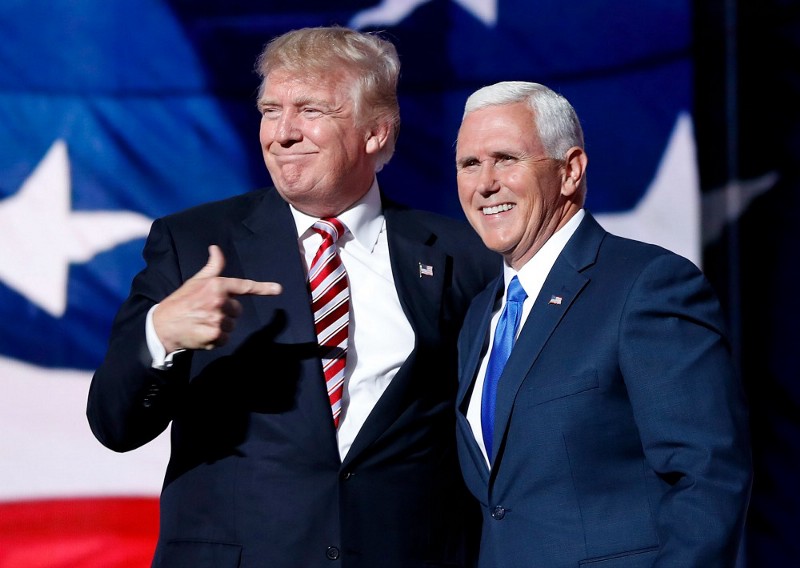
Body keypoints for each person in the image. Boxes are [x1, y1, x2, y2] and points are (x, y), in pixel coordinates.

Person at [87, 27, 499, 568]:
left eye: (310, 110)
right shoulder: (193, 243)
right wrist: (160, 334)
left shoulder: (461, 256)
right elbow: (115, 425)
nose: (281, 133)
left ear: (375, 133)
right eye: (270, 109)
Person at [453, 81, 752, 567]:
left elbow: (707, 474)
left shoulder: (647, 284)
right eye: (469, 163)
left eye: (506, 158)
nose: (485, 183)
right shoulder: (480, 314)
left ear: (570, 171)